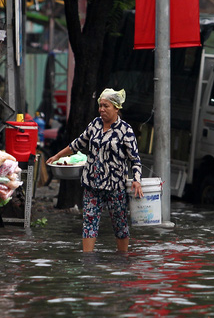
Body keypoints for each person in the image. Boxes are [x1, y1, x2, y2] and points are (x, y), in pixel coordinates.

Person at [47, 88, 144, 253]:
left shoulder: (125, 130)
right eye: (100, 105)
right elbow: (77, 144)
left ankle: (122, 258)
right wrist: (57, 156)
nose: (102, 109)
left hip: (115, 187)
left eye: (106, 106)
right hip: (92, 184)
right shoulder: (95, 124)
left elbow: (135, 159)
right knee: (89, 223)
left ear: (116, 108)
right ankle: (88, 261)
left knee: (120, 225)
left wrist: (136, 180)